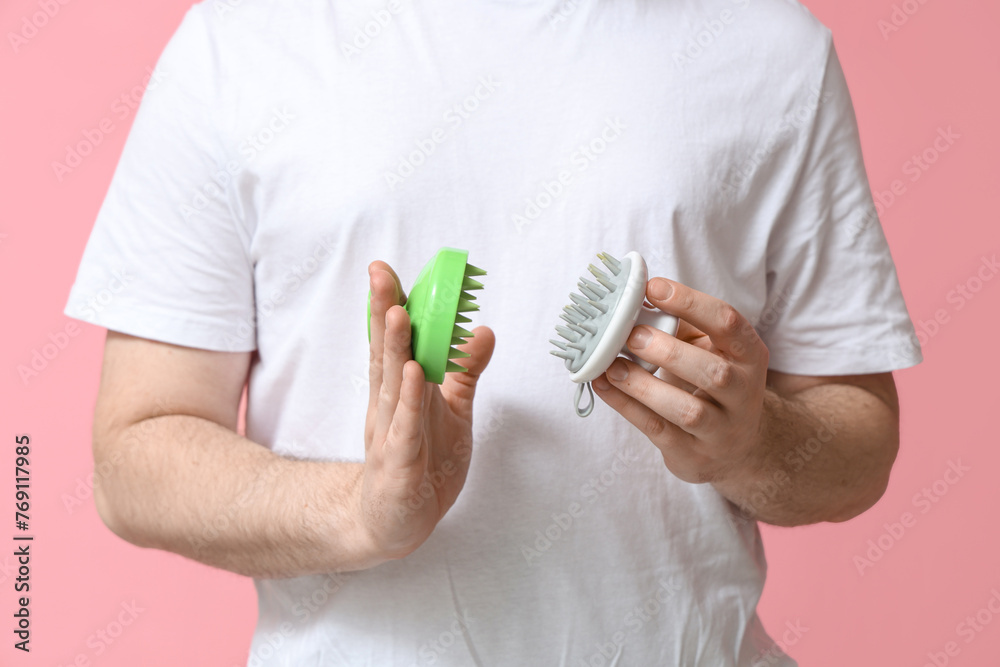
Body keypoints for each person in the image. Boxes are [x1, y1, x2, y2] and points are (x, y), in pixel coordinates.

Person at [64, 0, 922, 664]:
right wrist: (360, 512)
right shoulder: (241, 44)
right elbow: (134, 455)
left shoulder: (770, 48)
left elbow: (860, 440)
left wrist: (753, 443)